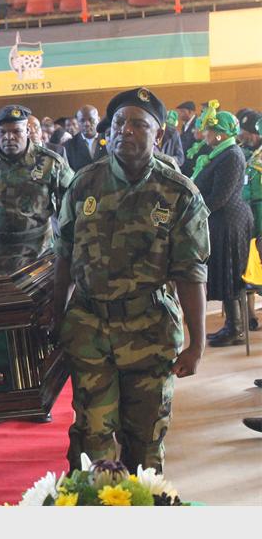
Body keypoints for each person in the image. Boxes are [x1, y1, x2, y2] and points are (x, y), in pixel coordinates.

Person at [52, 87, 210, 474]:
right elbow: (64, 255)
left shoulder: (178, 193)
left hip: (149, 330)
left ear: (159, 134)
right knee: (92, 437)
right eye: (119, 122)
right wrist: (57, 317)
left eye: (139, 124)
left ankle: (145, 507)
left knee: (145, 438)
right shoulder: (84, 184)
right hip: (90, 328)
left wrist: (197, 343)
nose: (125, 130)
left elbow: (191, 274)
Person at [0, 105, 73, 275]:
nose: (9, 137)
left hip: (38, 256)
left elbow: (72, 205)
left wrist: (68, 246)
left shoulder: (50, 163)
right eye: (2, 132)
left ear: (27, 131)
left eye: (16, 131)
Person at [191, 101, 254, 348]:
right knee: (227, 273)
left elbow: (220, 197)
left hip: (230, 222)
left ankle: (236, 329)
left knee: (232, 274)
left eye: (208, 130)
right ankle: (232, 325)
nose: (204, 134)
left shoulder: (232, 156)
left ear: (220, 134)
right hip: (222, 220)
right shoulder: (221, 153)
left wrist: (194, 213)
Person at [240, 111, 262, 330]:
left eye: (249, 133)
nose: (244, 136)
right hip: (250, 219)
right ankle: (250, 315)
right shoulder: (248, 154)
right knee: (249, 265)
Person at [63, 105, 107, 173]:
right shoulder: (69, 145)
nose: (87, 124)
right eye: (82, 120)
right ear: (77, 122)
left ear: (98, 120)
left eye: (91, 120)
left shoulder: (108, 139)